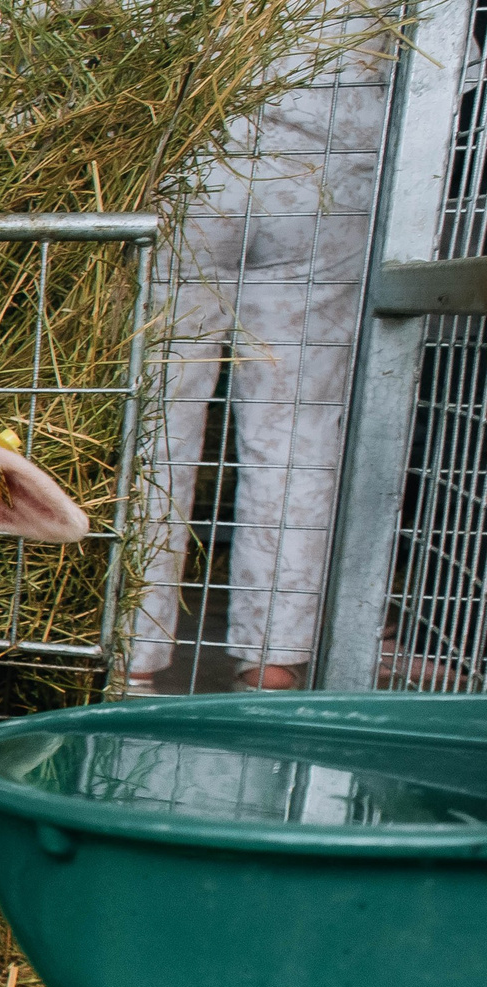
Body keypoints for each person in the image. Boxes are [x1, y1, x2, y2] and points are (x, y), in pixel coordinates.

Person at [130, 56, 391, 692]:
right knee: (298, 428)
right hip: (330, 170)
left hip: (190, 157)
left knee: (151, 414)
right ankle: (273, 660)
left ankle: (130, 653)